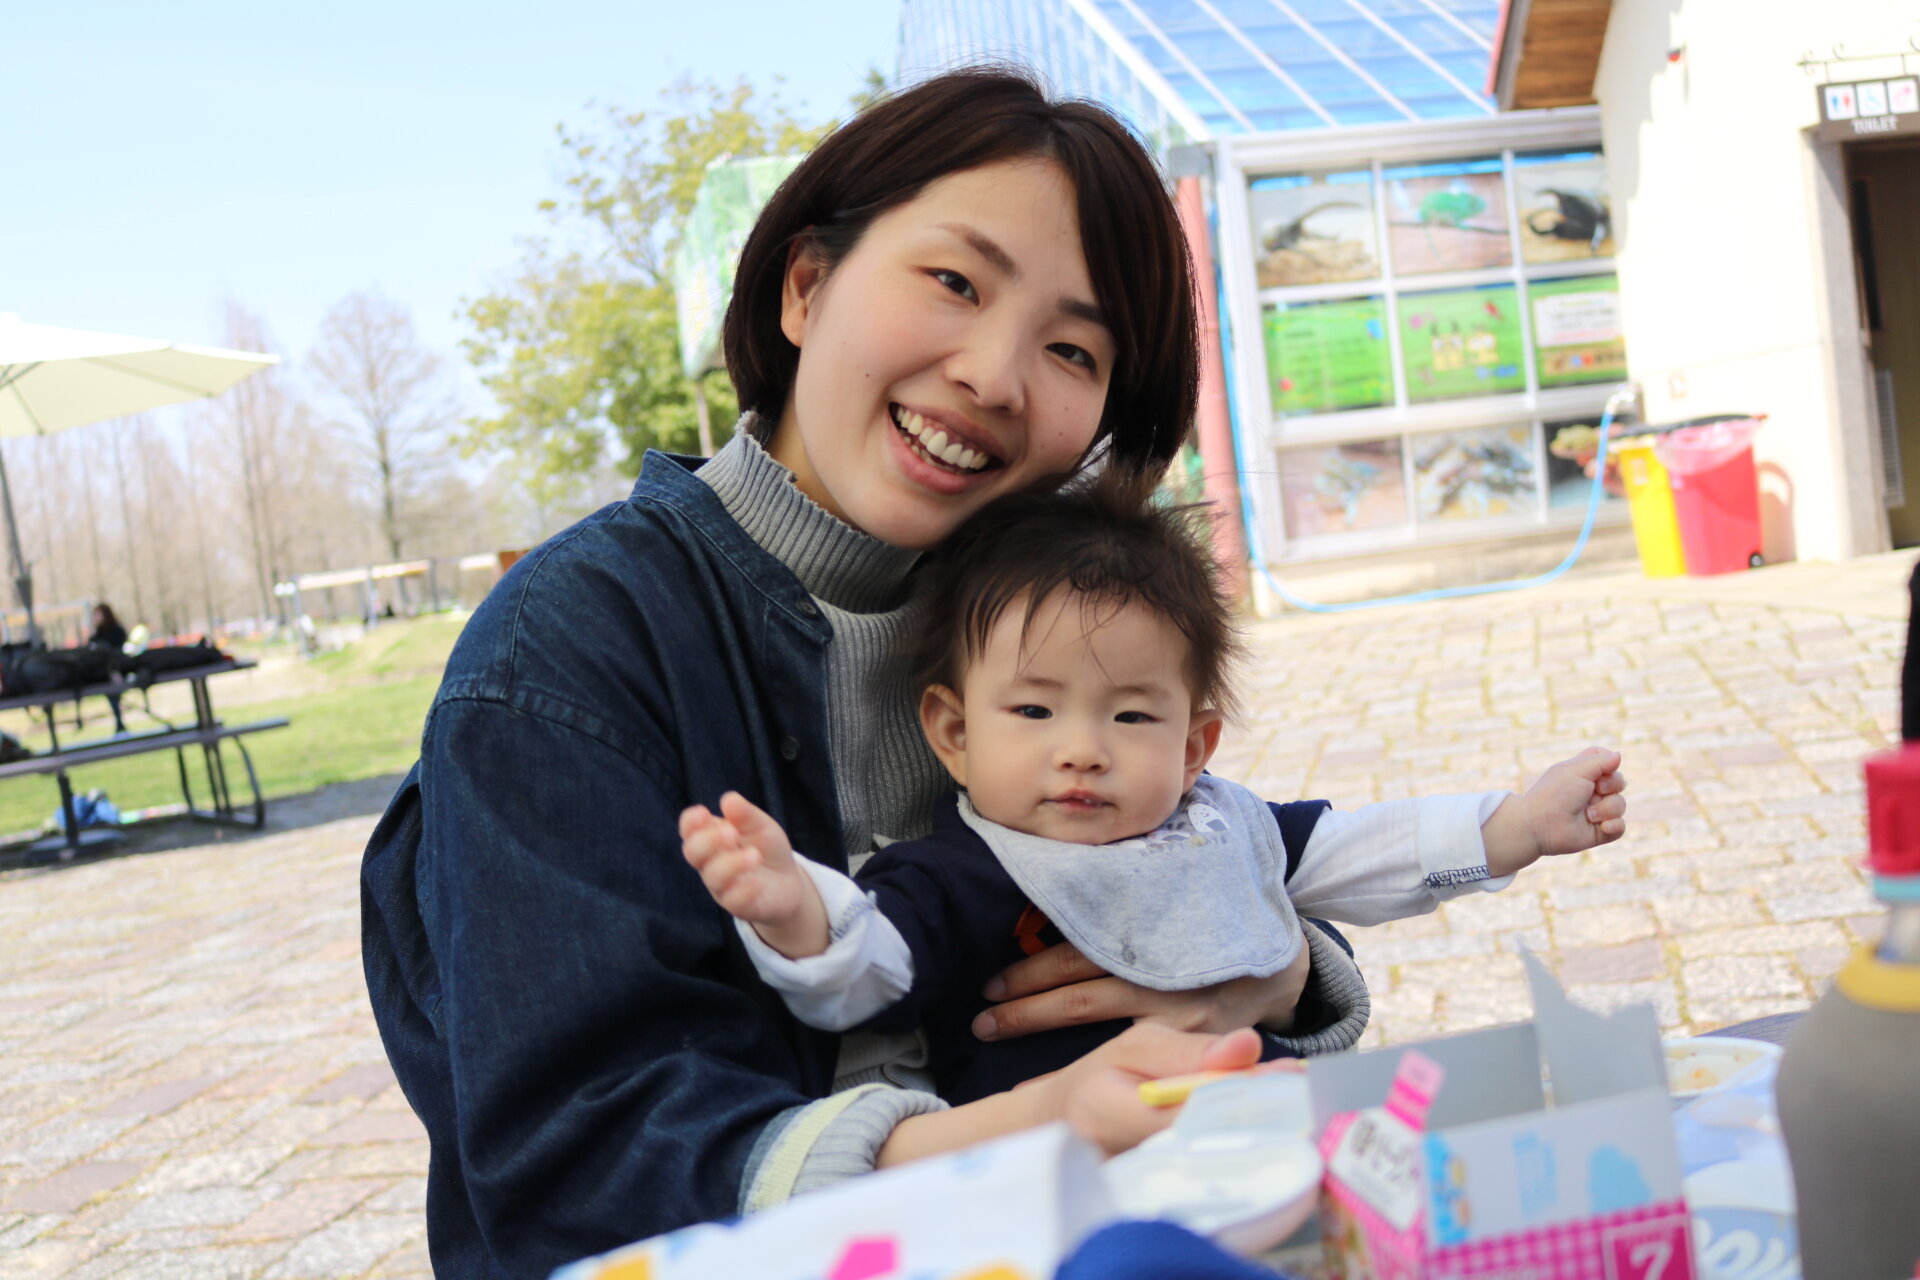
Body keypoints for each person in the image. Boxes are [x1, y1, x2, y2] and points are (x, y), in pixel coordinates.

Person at [360, 68, 1312, 1279]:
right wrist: (1023, 1130)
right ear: (806, 285)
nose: (994, 374)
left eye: (1072, 348)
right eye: (955, 283)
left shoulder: (1039, 601)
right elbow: (582, 1156)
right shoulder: (570, 643)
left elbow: (1215, 841)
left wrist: (1276, 971)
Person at [682, 479, 1628, 1105]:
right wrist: (798, 911)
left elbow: (1357, 850)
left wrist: (1515, 827)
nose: (1083, 752)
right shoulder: (958, 876)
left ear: (1193, 746)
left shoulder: (1218, 828)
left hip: (1260, 1145)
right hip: (1066, 1185)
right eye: (1034, 712)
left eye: (1132, 718)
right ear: (954, 735)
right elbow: (872, 971)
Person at [87, 603, 129, 734]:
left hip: (118, 668)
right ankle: (119, 722)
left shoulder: (116, 630)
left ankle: (119, 722)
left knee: (114, 692)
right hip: (104, 672)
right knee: (112, 694)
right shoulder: (98, 633)